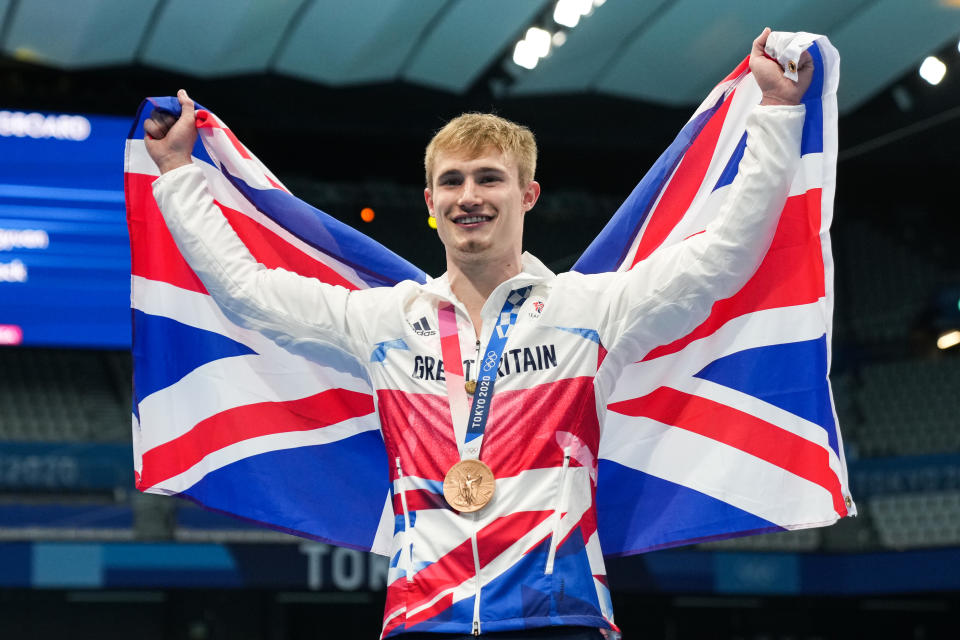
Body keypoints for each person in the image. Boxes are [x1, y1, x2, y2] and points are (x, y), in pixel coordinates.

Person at [144, 28, 812, 640]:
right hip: (421, 621)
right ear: (431, 204)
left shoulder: (593, 310)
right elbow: (246, 290)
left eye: (490, 178)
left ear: (528, 194)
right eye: (452, 181)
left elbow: (725, 253)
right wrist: (177, 175)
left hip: (561, 621)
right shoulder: (384, 322)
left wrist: (777, 111)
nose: (470, 195)